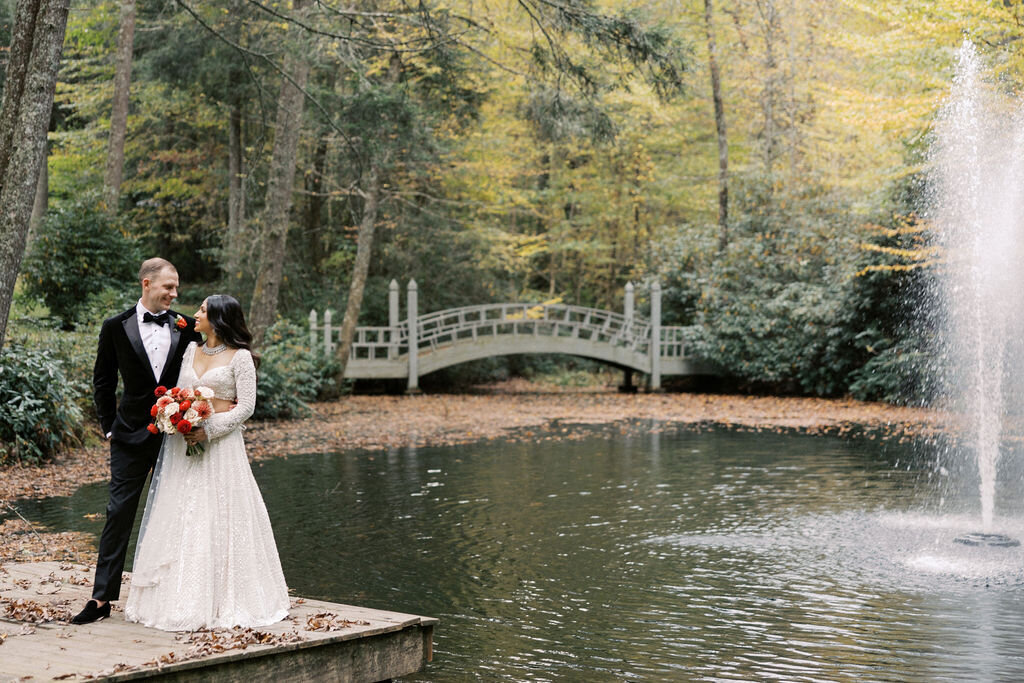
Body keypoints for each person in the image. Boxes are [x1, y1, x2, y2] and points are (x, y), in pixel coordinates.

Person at [123, 294, 289, 631]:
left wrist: (208, 430)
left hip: (221, 448)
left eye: (202, 310)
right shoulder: (190, 350)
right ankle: (173, 598)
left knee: (219, 512)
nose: (195, 314)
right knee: (184, 513)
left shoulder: (240, 357)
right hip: (184, 447)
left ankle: (224, 598)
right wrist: (176, 416)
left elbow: (246, 407)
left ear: (218, 318)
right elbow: (178, 392)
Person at [72, 258, 203, 625]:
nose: (175, 294)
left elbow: (210, 367)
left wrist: (198, 415)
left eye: (176, 288)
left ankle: (176, 594)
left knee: (178, 512)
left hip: (177, 436)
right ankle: (101, 599)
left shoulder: (188, 327)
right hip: (129, 435)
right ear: (147, 284)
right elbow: (102, 381)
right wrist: (109, 427)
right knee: (118, 513)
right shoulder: (116, 326)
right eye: (169, 287)